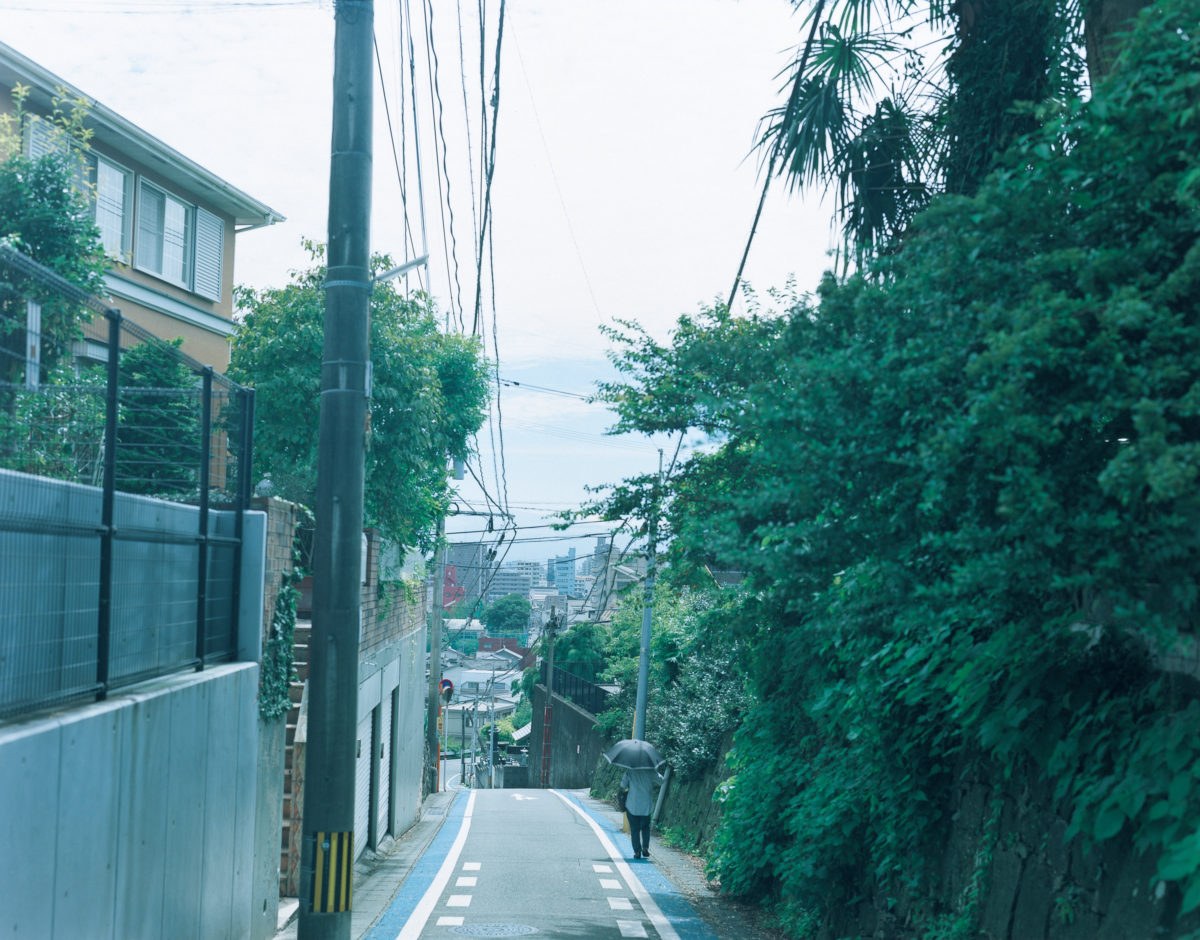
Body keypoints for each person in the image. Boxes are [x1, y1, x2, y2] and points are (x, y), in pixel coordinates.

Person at [620, 766, 663, 860]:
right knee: (645, 827)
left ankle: (637, 851)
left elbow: (623, 785)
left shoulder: (630, 771)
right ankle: (645, 848)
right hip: (646, 806)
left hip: (632, 805)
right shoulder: (651, 770)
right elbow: (661, 781)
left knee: (634, 829)